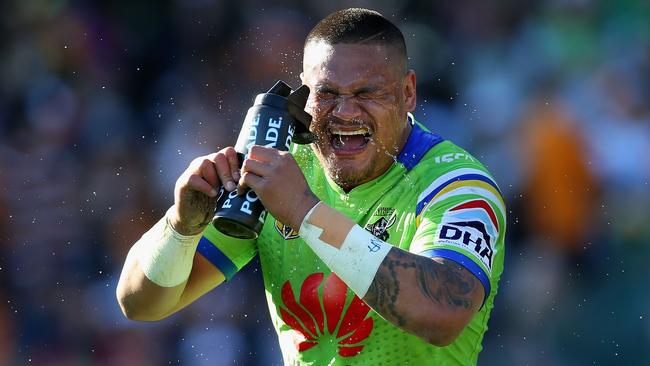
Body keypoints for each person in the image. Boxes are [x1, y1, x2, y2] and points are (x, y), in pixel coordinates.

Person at [116, 8, 506, 365]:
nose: (346, 111)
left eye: (367, 92)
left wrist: (305, 212)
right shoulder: (280, 168)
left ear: (408, 93)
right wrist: (181, 227)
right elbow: (141, 305)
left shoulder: (457, 186)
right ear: (304, 93)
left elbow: (442, 315)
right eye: (328, 94)